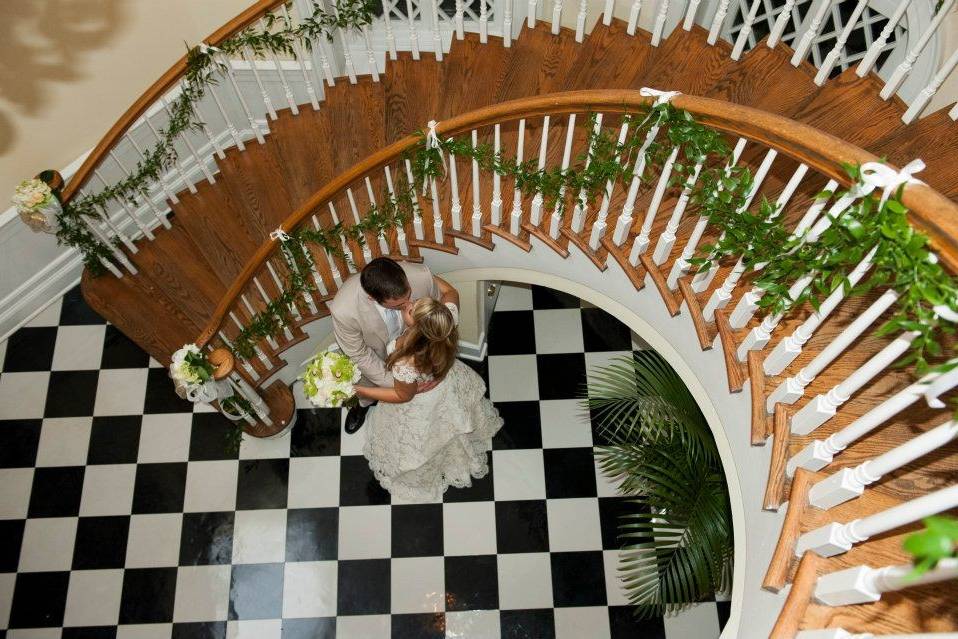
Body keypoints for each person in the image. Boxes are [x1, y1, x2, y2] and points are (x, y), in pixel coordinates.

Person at [354, 296, 503, 502]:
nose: (408, 303)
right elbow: (451, 292)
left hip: (420, 402)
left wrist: (360, 391)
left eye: (411, 308)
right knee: (452, 426)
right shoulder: (443, 323)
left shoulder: (407, 362)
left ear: (415, 325)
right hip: (446, 386)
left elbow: (402, 395)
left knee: (424, 439)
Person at [328, 257, 444, 433]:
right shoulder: (344, 310)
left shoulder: (422, 275)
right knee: (367, 385)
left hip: (415, 351)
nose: (409, 305)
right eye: (399, 305)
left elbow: (436, 312)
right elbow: (359, 355)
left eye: (409, 295)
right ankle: (362, 406)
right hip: (374, 355)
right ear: (372, 297)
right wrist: (402, 385)